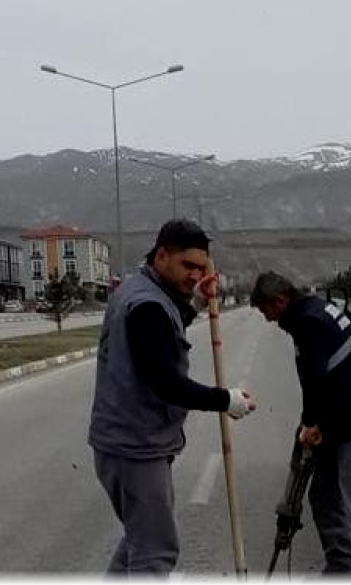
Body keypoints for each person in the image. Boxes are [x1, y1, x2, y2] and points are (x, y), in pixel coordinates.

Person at [89, 219, 257, 576]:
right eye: (188, 266)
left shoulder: (138, 291)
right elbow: (166, 382)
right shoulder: (148, 305)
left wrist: (193, 303)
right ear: (162, 255)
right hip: (135, 447)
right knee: (155, 554)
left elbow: (161, 334)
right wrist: (226, 400)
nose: (195, 274)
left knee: (138, 542)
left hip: (121, 443)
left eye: (201, 267)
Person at [250, 271, 351, 575]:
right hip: (338, 423)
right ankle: (342, 568)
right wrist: (312, 424)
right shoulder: (314, 309)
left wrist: (312, 423)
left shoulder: (309, 322)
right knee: (323, 495)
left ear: (280, 300)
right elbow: (320, 381)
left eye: (268, 312)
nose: (268, 320)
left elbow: (317, 382)